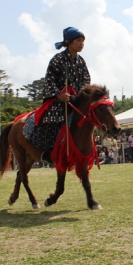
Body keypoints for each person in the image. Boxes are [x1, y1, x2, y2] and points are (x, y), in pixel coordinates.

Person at [23, 27, 91, 165]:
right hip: (59, 100)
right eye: (78, 40)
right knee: (52, 119)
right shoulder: (57, 59)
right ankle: (47, 151)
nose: (82, 43)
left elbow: (86, 79)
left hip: (76, 99)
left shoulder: (81, 61)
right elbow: (49, 80)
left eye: (83, 40)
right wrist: (59, 94)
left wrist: (80, 93)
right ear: (69, 42)